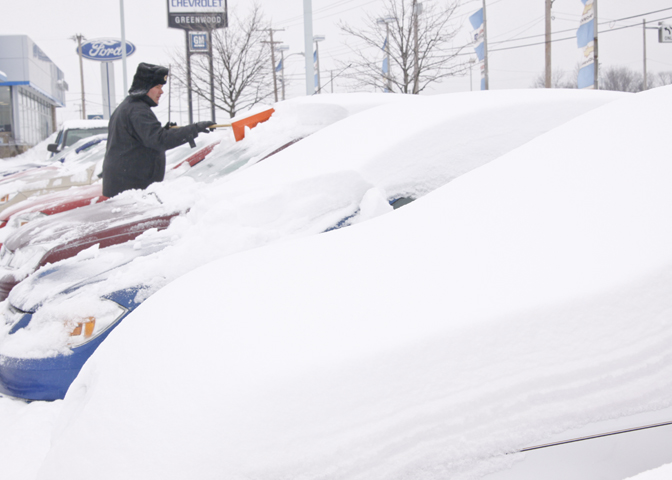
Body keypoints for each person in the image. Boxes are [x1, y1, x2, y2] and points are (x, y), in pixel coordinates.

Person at [102, 62, 215, 198]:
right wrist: (194, 129)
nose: (161, 91)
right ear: (145, 87)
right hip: (131, 188)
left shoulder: (129, 106)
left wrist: (165, 131)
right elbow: (159, 140)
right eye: (157, 87)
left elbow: (145, 137)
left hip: (125, 184)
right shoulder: (138, 110)